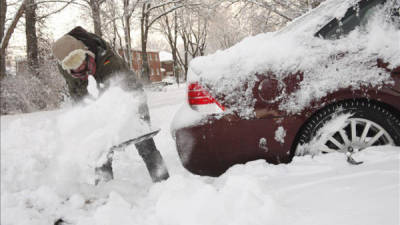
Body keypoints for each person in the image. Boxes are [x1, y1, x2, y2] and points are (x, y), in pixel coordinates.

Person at [51, 26, 169, 184]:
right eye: (71, 64)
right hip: (103, 96)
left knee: (142, 137)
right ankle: (105, 186)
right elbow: (79, 95)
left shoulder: (107, 58)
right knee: (99, 144)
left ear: (84, 50)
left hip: (129, 91)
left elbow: (124, 92)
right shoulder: (67, 69)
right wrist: (90, 120)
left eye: (78, 58)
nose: (77, 66)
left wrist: (135, 121)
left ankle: (162, 180)